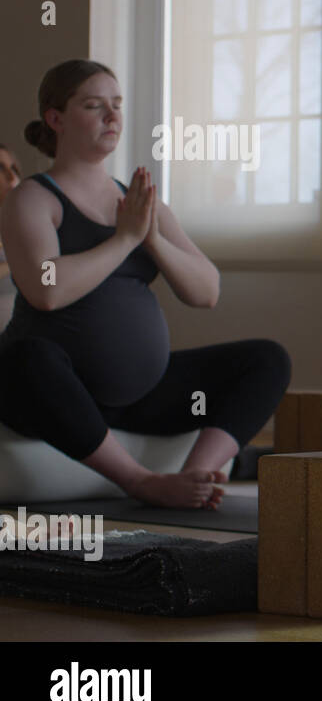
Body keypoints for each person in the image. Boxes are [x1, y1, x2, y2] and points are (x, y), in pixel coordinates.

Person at [0, 60, 292, 510]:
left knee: (267, 359)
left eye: (116, 105)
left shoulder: (138, 200)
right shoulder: (33, 198)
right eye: (94, 106)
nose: (112, 117)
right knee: (25, 358)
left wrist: (152, 237)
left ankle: (197, 473)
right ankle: (141, 482)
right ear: (55, 119)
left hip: (138, 397)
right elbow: (47, 289)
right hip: (51, 393)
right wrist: (126, 240)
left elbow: (206, 291)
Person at [0, 143, 23, 329]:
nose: (11, 176)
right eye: (0, 168)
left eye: (14, 168)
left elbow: (50, 281)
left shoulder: (32, 223)